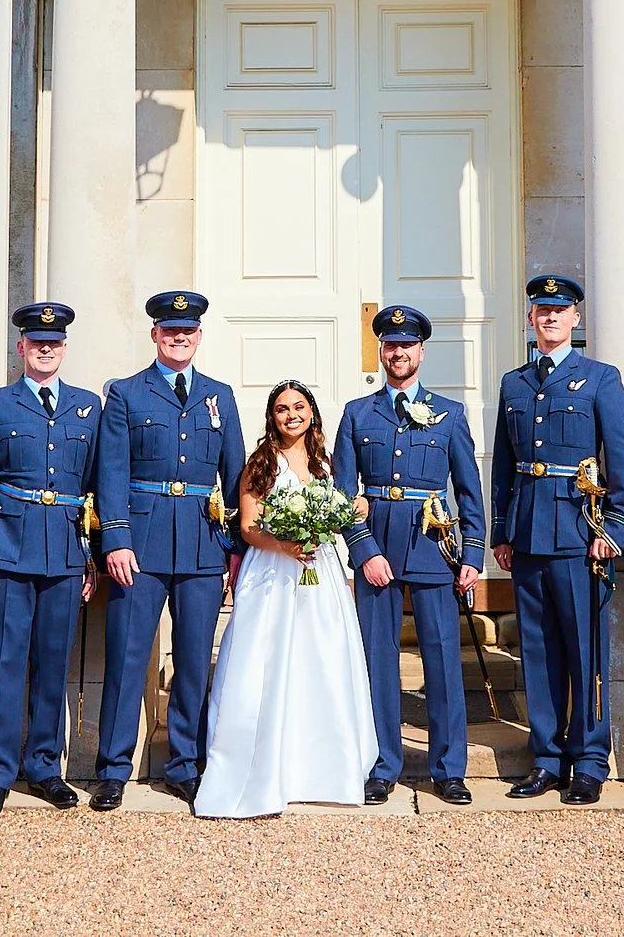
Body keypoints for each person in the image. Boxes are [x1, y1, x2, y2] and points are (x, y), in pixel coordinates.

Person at [91, 289, 245, 810]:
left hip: (202, 544)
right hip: (141, 542)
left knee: (196, 661)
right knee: (128, 657)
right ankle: (113, 767)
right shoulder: (127, 395)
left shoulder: (219, 395)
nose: (180, 338)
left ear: (199, 336)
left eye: (189, 331)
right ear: (155, 335)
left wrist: (236, 546)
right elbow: (110, 471)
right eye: (170, 331)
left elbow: (238, 475)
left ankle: (185, 764)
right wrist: (115, 537)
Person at [489, 273, 624, 805]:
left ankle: (590, 760)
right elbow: (504, 465)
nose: (549, 317)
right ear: (531, 319)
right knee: (538, 651)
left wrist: (616, 527)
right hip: (529, 531)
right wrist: (501, 532)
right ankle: (548, 757)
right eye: (540, 310)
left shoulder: (599, 377)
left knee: (584, 650)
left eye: (560, 310)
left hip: (580, 532)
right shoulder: (514, 382)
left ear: (576, 318)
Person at [194, 381, 377, 817]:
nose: (291, 414)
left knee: (322, 661)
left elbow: (340, 510)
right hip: (272, 572)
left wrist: (354, 511)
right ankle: (262, 768)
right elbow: (250, 526)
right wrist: (287, 546)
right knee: (269, 663)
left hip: (321, 572)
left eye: (298, 406)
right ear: (271, 418)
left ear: (312, 412)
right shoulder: (261, 462)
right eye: (281, 409)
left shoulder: (325, 461)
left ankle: (322, 770)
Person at [335, 304, 485, 806]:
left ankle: (448, 767)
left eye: (407, 344)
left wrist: (473, 554)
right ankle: (383, 764)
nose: (398, 352)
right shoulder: (358, 413)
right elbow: (341, 492)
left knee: (442, 658)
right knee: (378, 660)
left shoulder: (449, 414)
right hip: (377, 547)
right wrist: (363, 551)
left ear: (421, 351)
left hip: (431, 548)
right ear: (380, 351)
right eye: (390, 344)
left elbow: (469, 489)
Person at [0, 302, 99, 824]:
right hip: (9, 550)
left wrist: (93, 555)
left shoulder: (88, 407)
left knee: (53, 665)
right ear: (21, 348)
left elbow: (95, 489)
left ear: (64, 348)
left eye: (56, 342)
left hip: (64, 551)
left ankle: (44, 766)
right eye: (37, 342)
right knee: (4, 663)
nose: (46, 349)